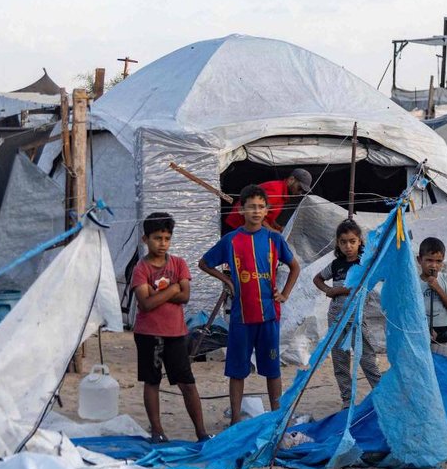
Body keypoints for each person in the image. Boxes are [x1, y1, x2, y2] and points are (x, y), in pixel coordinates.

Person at [200, 184, 301, 425]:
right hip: (241, 318)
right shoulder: (231, 240)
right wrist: (227, 280)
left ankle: (276, 417)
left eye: (260, 207)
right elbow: (204, 263)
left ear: (267, 210)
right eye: (251, 207)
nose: (256, 211)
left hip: (269, 315)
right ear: (241, 210)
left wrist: (285, 294)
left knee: (272, 370)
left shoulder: (274, 239)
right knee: (237, 371)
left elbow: (295, 267)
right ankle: (235, 419)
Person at [130, 213, 211, 443]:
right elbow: (145, 304)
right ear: (145, 239)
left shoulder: (178, 263)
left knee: (187, 382)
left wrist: (160, 293)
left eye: (167, 238)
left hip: (176, 333)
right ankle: (157, 431)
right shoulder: (141, 269)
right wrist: (173, 289)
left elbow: (185, 296)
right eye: (157, 238)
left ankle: (201, 433)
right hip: (148, 334)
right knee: (152, 381)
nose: (162, 243)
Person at [312, 218, 384, 407]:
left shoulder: (364, 263)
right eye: (343, 242)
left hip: (356, 317)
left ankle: (382, 395)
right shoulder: (336, 265)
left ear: (360, 241)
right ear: (338, 243)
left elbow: (359, 286)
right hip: (335, 317)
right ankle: (347, 400)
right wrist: (328, 290)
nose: (348, 246)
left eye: (352, 241)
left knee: (366, 357)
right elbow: (317, 278)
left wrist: (337, 290)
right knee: (340, 360)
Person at [223, 168, 312, 230]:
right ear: (291, 179)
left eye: (303, 191)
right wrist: (273, 231)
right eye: (299, 188)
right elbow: (257, 213)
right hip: (236, 227)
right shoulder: (275, 190)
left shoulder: (282, 194)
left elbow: (267, 216)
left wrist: (278, 227)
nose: (300, 193)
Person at [418, 236, 447, 358]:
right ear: (419, 260)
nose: (434, 265)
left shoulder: (446, 279)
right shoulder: (414, 282)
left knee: (445, 367)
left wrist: (438, 288)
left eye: (438, 261)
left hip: (445, 336)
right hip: (421, 334)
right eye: (429, 260)